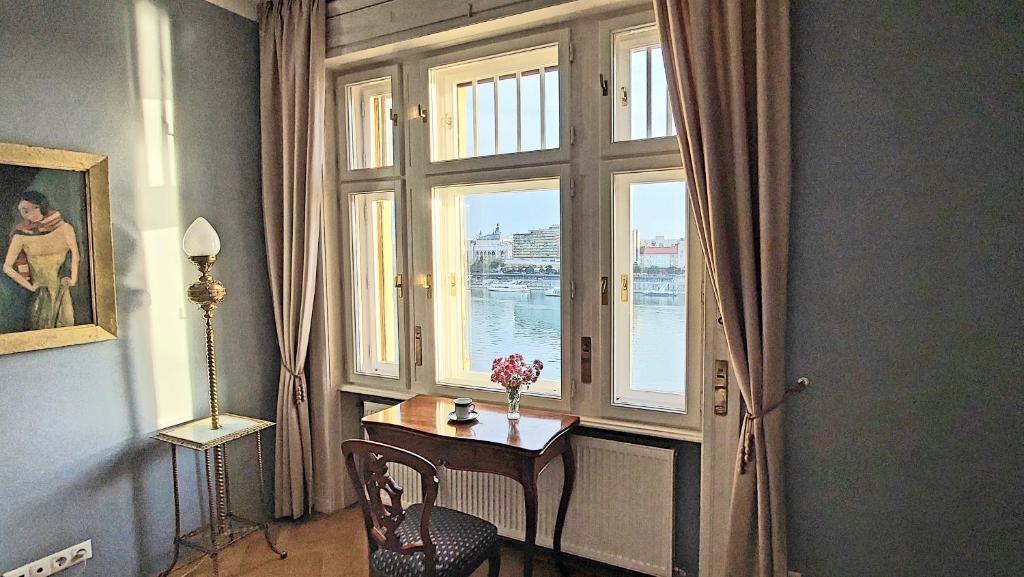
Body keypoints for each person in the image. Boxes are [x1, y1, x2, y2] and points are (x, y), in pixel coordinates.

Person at [2, 190, 79, 329]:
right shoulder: (20, 235)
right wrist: (29, 286)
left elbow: (75, 255)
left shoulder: (65, 228)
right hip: (39, 292)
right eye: (21, 211)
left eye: (26, 210)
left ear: (38, 207)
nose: (23, 215)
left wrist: (73, 279)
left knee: (65, 328)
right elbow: (7, 267)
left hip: (61, 289)